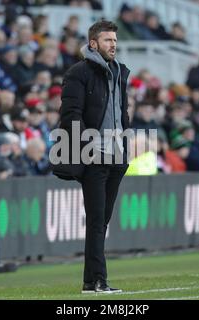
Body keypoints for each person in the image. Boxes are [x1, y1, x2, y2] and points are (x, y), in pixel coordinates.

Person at [53, 20, 130, 293]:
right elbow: (70, 115)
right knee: (97, 221)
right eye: (108, 40)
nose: (114, 45)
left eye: (115, 41)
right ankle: (99, 280)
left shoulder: (119, 71)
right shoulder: (78, 72)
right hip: (96, 156)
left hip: (117, 156)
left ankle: (90, 281)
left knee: (102, 222)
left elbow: (121, 110)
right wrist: (90, 147)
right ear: (93, 43)